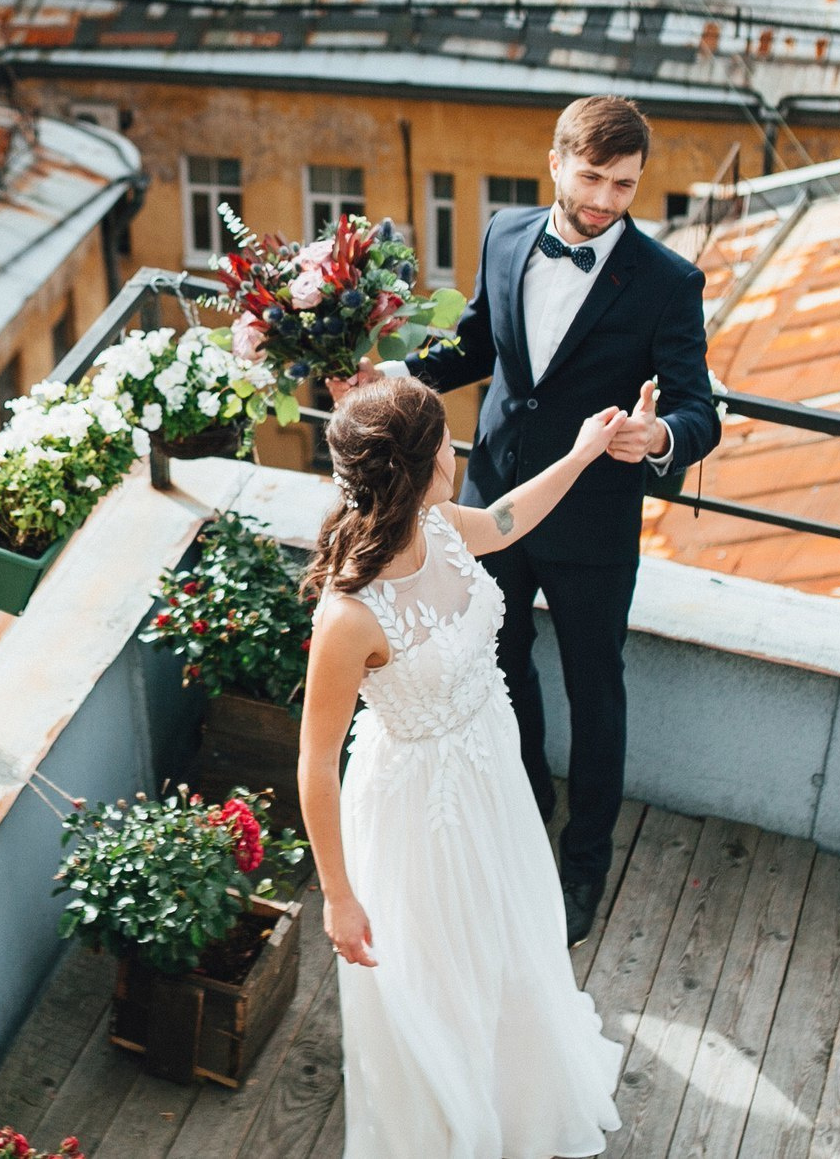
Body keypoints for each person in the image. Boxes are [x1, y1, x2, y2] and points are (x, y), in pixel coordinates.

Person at [337, 94, 719, 944]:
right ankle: (524, 809)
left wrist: (659, 434)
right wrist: (390, 374)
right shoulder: (506, 234)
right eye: (592, 177)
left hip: (593, 525)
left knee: (596, 689)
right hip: (491, 506)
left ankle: (583, 865)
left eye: (625, 185)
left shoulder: (667, 283)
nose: (606, 200)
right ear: (556, 162)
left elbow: (702, 413)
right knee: (499, 662)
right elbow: (475, 345)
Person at [297, 376, 628, 1159]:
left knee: (505, 940)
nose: (457, 446)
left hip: (490, 774)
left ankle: (515, 1098)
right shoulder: (350, 615)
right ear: (423, 463)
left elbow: (509, 519)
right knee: (440, 970)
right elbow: (315, 758)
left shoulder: (439, 523)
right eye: (445, 438)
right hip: (418, 808)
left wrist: (583, 454)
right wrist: (339, 896)